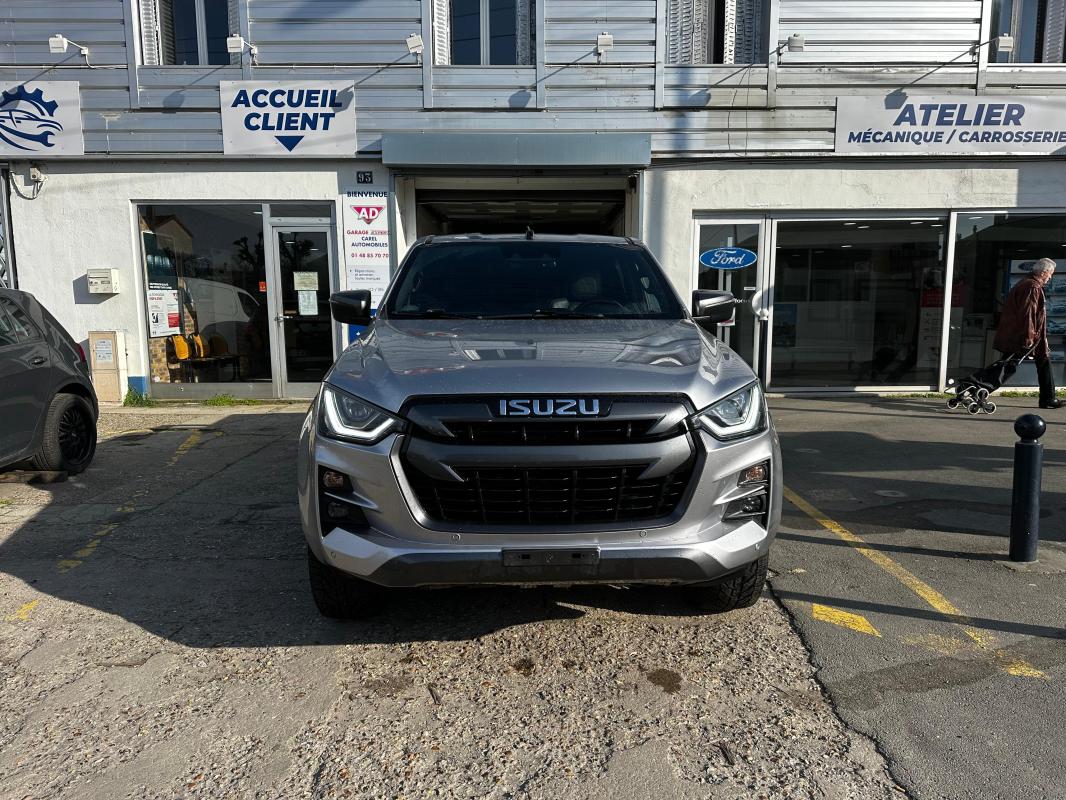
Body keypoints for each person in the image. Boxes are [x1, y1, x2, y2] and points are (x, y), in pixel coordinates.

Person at [994, 257, 1062, 409]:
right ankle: (981, 384)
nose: (1050, 278)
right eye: (1050, 274)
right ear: (1043, 272)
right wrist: (1029, 338)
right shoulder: (1032, 287)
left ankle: (1048, 398)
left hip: (1024, 334)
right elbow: (1028, 314)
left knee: (1041, 361)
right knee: (1008, 364)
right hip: (1025, 336)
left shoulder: (1026, 283)